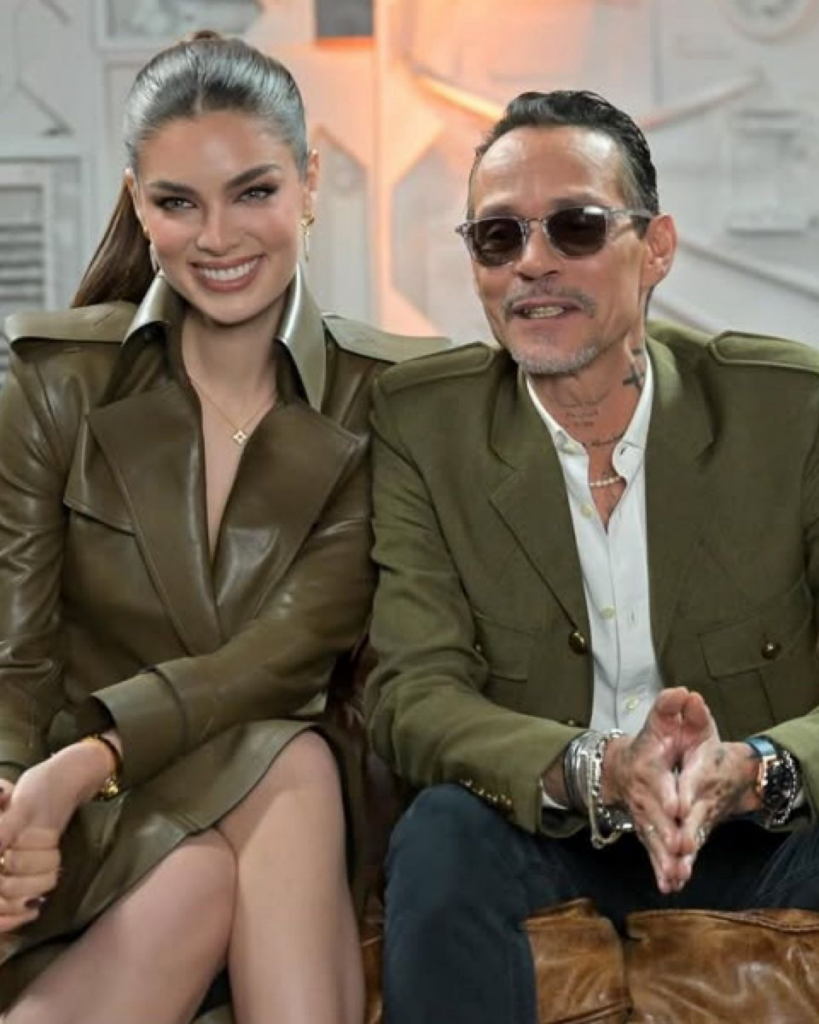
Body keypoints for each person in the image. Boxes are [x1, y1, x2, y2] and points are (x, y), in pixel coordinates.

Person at [0, 31, 444, 1024]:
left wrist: (90, 758)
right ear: (136, 202)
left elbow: (283, 654)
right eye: (177, 203)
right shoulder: (53, 383)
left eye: (253, 192)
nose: (217, 238)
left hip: (236, 793)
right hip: (86, 828)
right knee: (206, 861)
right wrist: (11, 805)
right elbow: (15, 660)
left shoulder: (392, 399)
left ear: (310, 182)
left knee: (282, 756)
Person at [364, 88, 819, 1024]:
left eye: (574, 227)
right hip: (549, 828)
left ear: (654, 248)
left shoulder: (786, 408)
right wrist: (595, 769)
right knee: (440, 831)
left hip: (759, 829)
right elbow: (413, 694)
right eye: (497, 237)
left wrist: (758, 770)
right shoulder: (423, 426)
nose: (532, 262)